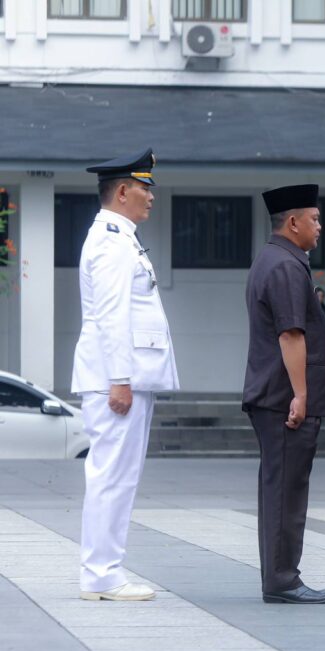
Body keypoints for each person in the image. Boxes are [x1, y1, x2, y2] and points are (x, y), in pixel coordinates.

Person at [73, 148, 179, 602]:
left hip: (124, 376)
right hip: (117, 378)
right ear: (121, 191)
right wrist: (120, 379)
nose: (151, 196)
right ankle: (102, 575)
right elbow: (111, 315)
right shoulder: (112, 242)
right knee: (113, 477)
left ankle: (104, 572)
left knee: (117, 476)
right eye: (144, 187)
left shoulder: (121, 238)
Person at [243, 184, 325, 605]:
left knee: (281, 488)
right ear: (293, 222)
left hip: (274, 397)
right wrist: (301, 396)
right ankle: (283, 580)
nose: (320, 226)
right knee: (286, 490)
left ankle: (281, 576)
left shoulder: (277, 260)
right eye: (316, 219)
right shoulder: (284, 266)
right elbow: (290, 334)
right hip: (284, 400)